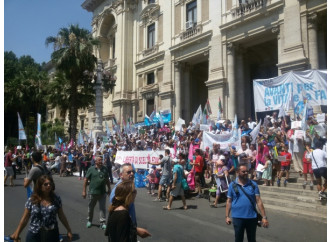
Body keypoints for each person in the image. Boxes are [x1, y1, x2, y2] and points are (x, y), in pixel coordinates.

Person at [10, 175, 72, 242]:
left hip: (52, 234)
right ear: (40, 186)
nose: (49, 186)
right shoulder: (32, 200)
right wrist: (17, 234)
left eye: (50, 184)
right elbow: (25, 218)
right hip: (34, 235)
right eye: (46, 184)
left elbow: (61, 216)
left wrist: (69, 230)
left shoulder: (56, 199)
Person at [225, 165, 269, 242]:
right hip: (237, 217)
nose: (246, 173)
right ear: (238, 172)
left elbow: (258, 201)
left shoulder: (253, 184)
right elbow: (229, 201)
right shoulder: (232, 185)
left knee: (252, 239)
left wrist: (264, 217)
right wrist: (227, 216)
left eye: (247, 171)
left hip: (251, 217)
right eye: (243, 171)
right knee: (238, 239)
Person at [110, 163, 151, 239]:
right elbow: (117, 216)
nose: (132, 174)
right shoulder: (117, 190)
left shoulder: (129, 187)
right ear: (121, 175)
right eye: (128, 172)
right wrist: (136, 230)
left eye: (133, 172)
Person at [82, 155, 111, 229]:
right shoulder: (91, 169)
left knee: (102, 208)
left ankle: (102, 223)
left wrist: (109, 189)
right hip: (92, 192)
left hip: (102, 192)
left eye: (102, 160)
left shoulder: (105, 169)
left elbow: (107, 179)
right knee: (91, 208)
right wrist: (84, 191)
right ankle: (89, 220)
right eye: (99, 160)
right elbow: (85, 180)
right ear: (96, 161)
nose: (101, 161)